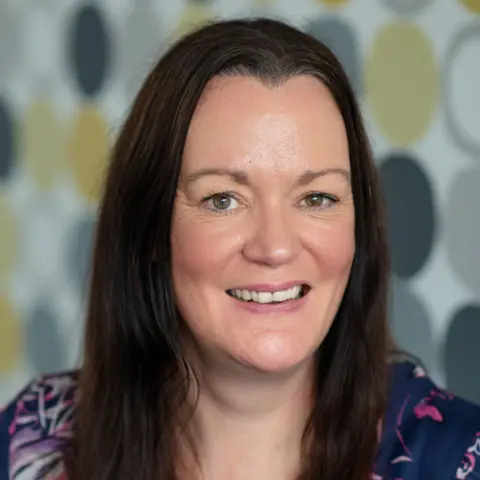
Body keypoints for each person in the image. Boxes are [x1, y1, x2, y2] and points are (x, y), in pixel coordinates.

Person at [0, 17, 479, 480]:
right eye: (222, 199)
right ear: (148, 228)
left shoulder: (456, 458)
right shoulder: (33, 436)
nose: (274, 247)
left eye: (317, 198)